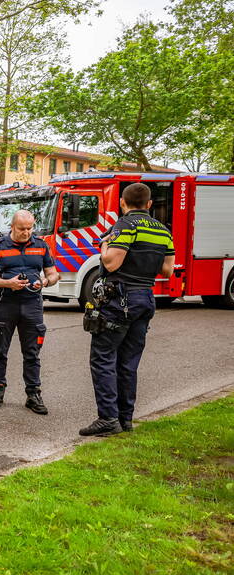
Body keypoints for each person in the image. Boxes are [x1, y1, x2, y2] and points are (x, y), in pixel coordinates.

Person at [80, 183, 174, 436]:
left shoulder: (126, 224)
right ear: (150, 204)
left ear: (123, 203)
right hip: (146, 297)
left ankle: (108, 419)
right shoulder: (164, 231)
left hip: (120, 298)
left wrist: (104, 246)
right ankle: (126, 419)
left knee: (103, 358)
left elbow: (111, 264)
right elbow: (167, 271)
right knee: (129, 362)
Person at [0, 210, 60, 414]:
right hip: (5, 304)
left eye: (29, 228)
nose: (26, 232)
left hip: (32, 304)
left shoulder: (41, 246)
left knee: (32, 353)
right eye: (22, 229)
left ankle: (33, 394)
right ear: (12, 227)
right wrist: (8, 283)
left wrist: (43, 281)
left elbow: (53, 274)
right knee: (0, 351)